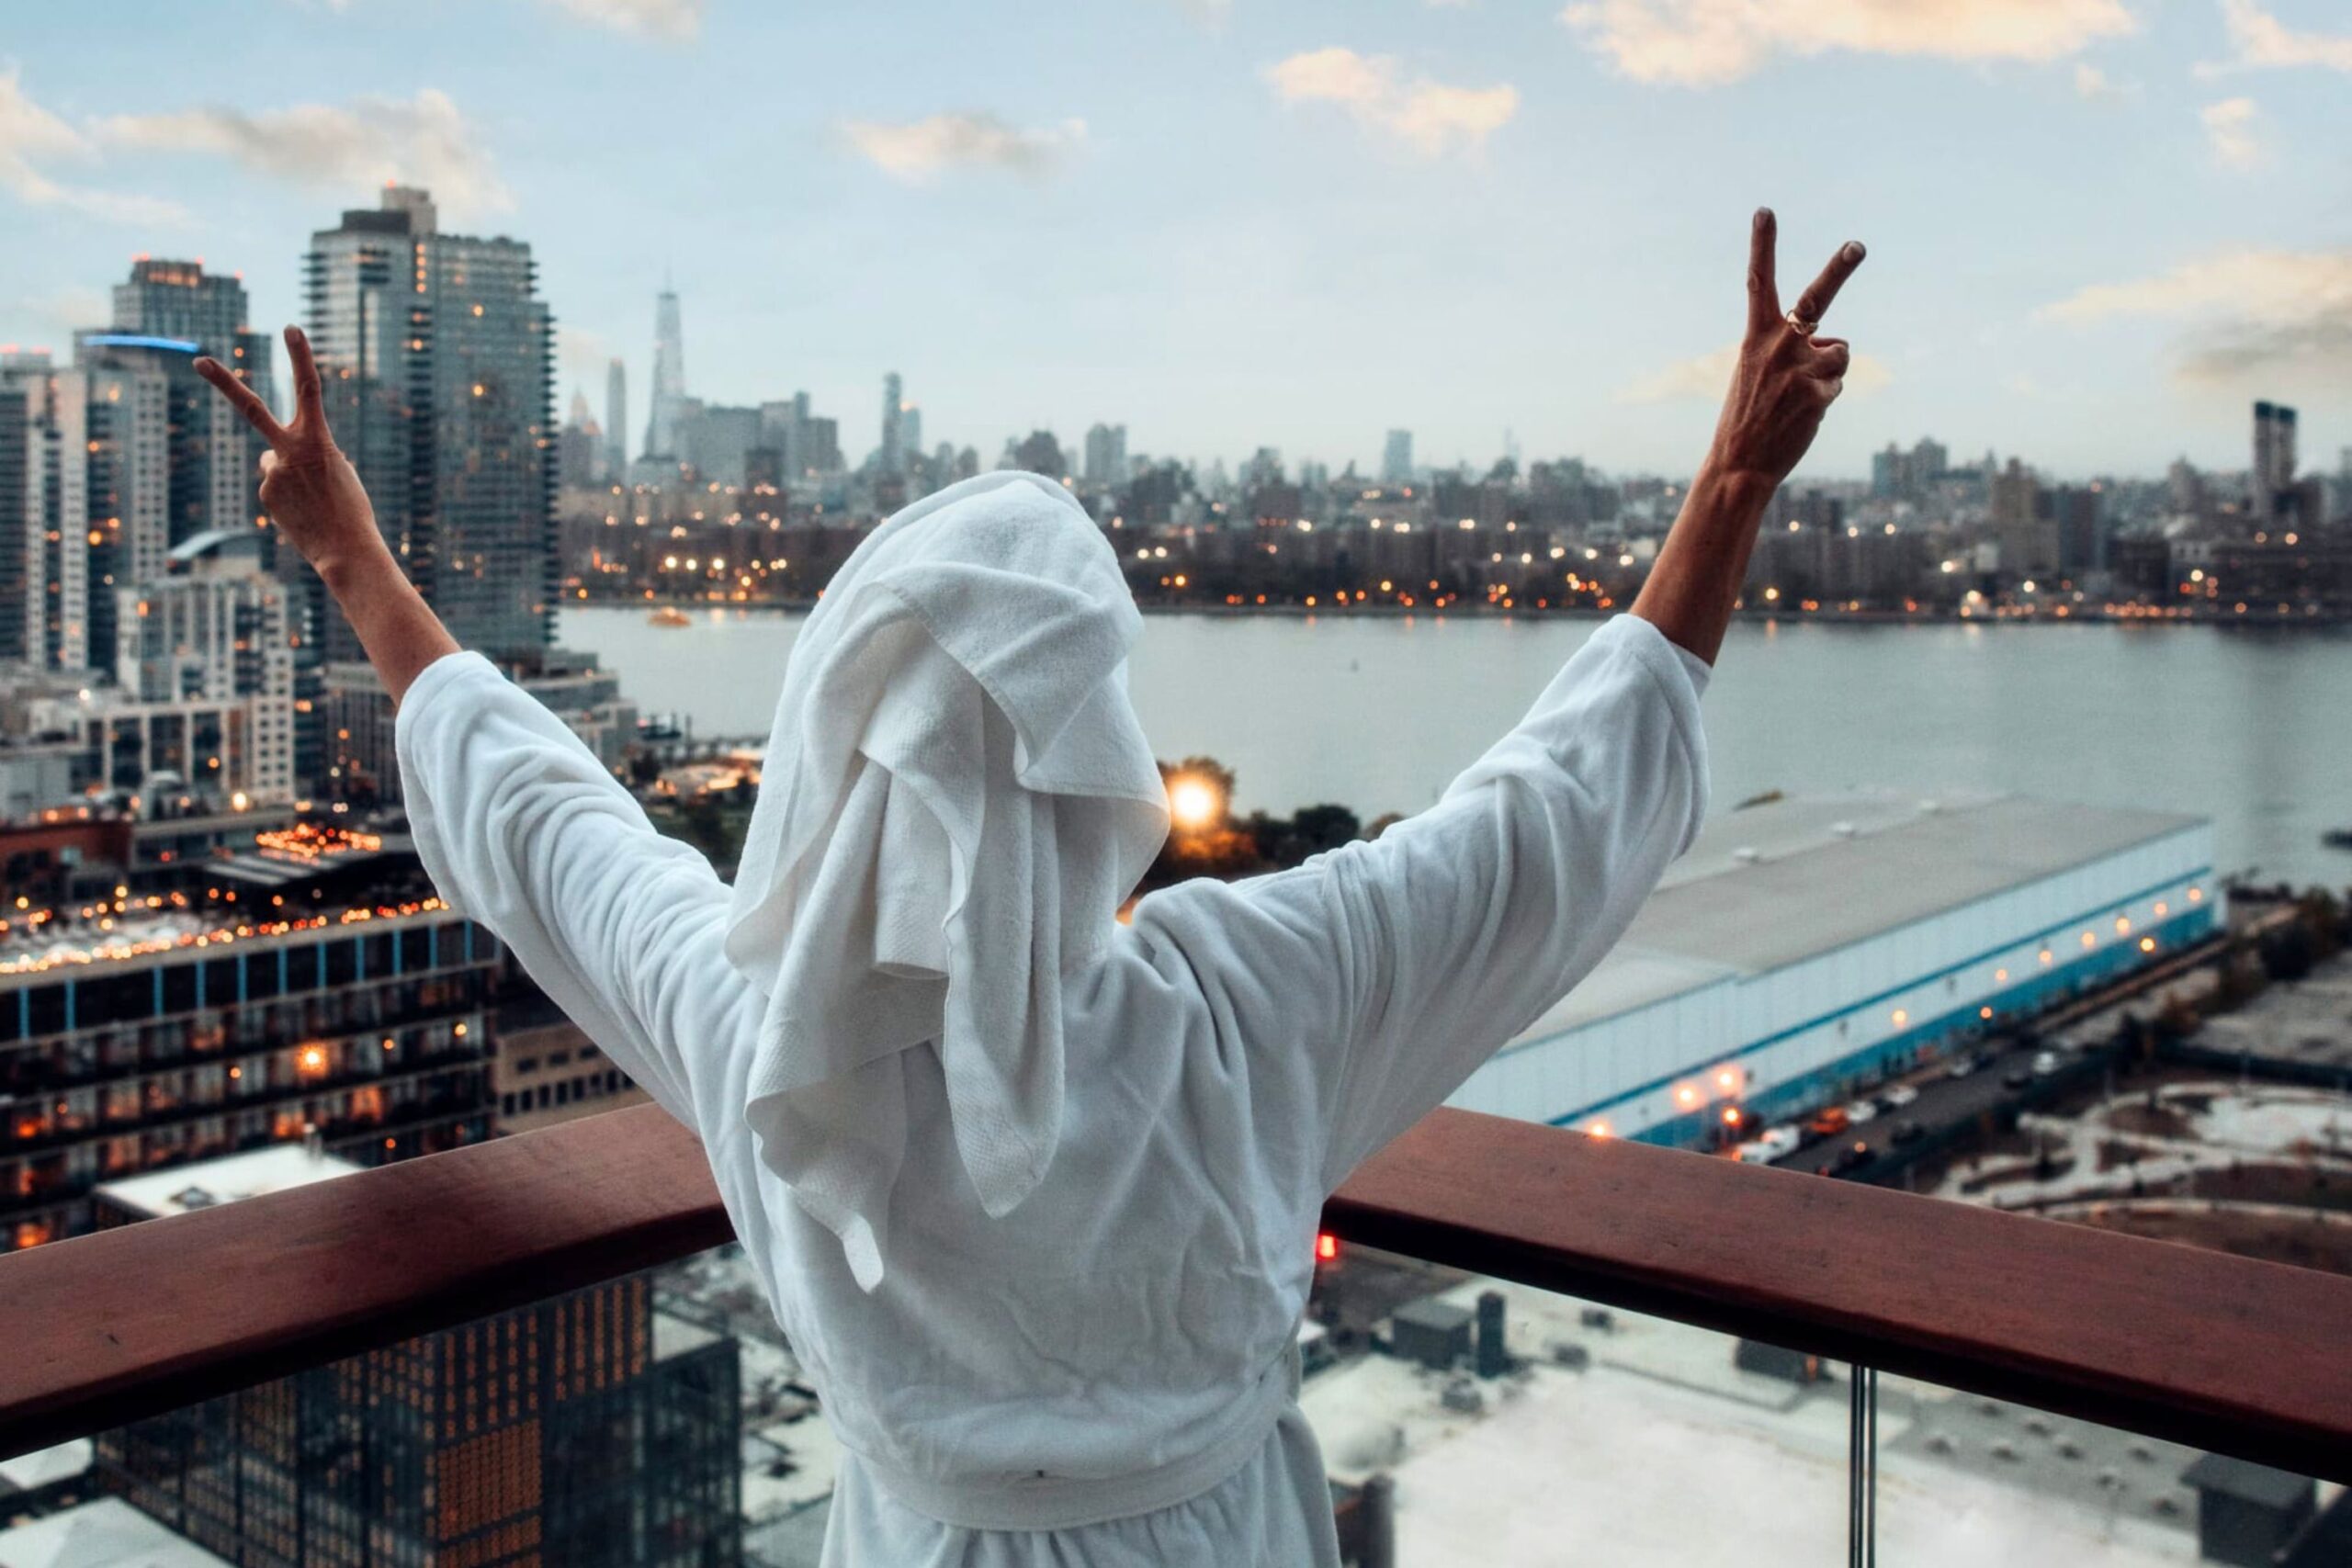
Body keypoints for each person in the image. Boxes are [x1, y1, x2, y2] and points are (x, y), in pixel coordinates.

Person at [198, 208, 1864, 1567]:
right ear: (1098, 763)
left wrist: (351, 555)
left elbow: (550, 833)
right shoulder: (1251, 1005)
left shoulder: (762, 1035)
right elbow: (1547, 830)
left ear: (835, 751)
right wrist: (1729, 490)